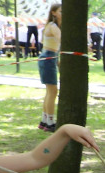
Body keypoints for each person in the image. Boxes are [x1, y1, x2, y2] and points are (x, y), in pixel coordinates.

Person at [38, 3, 61, 132]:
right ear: (54, 13)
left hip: (50, 57)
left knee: (50, 91)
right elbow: (61, 40)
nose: (63, 14)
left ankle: (44, 121)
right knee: (52, 91)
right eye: (61, 11)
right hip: (48, 57)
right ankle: (50, 123)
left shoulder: (54, 26)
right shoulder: (53, 26)